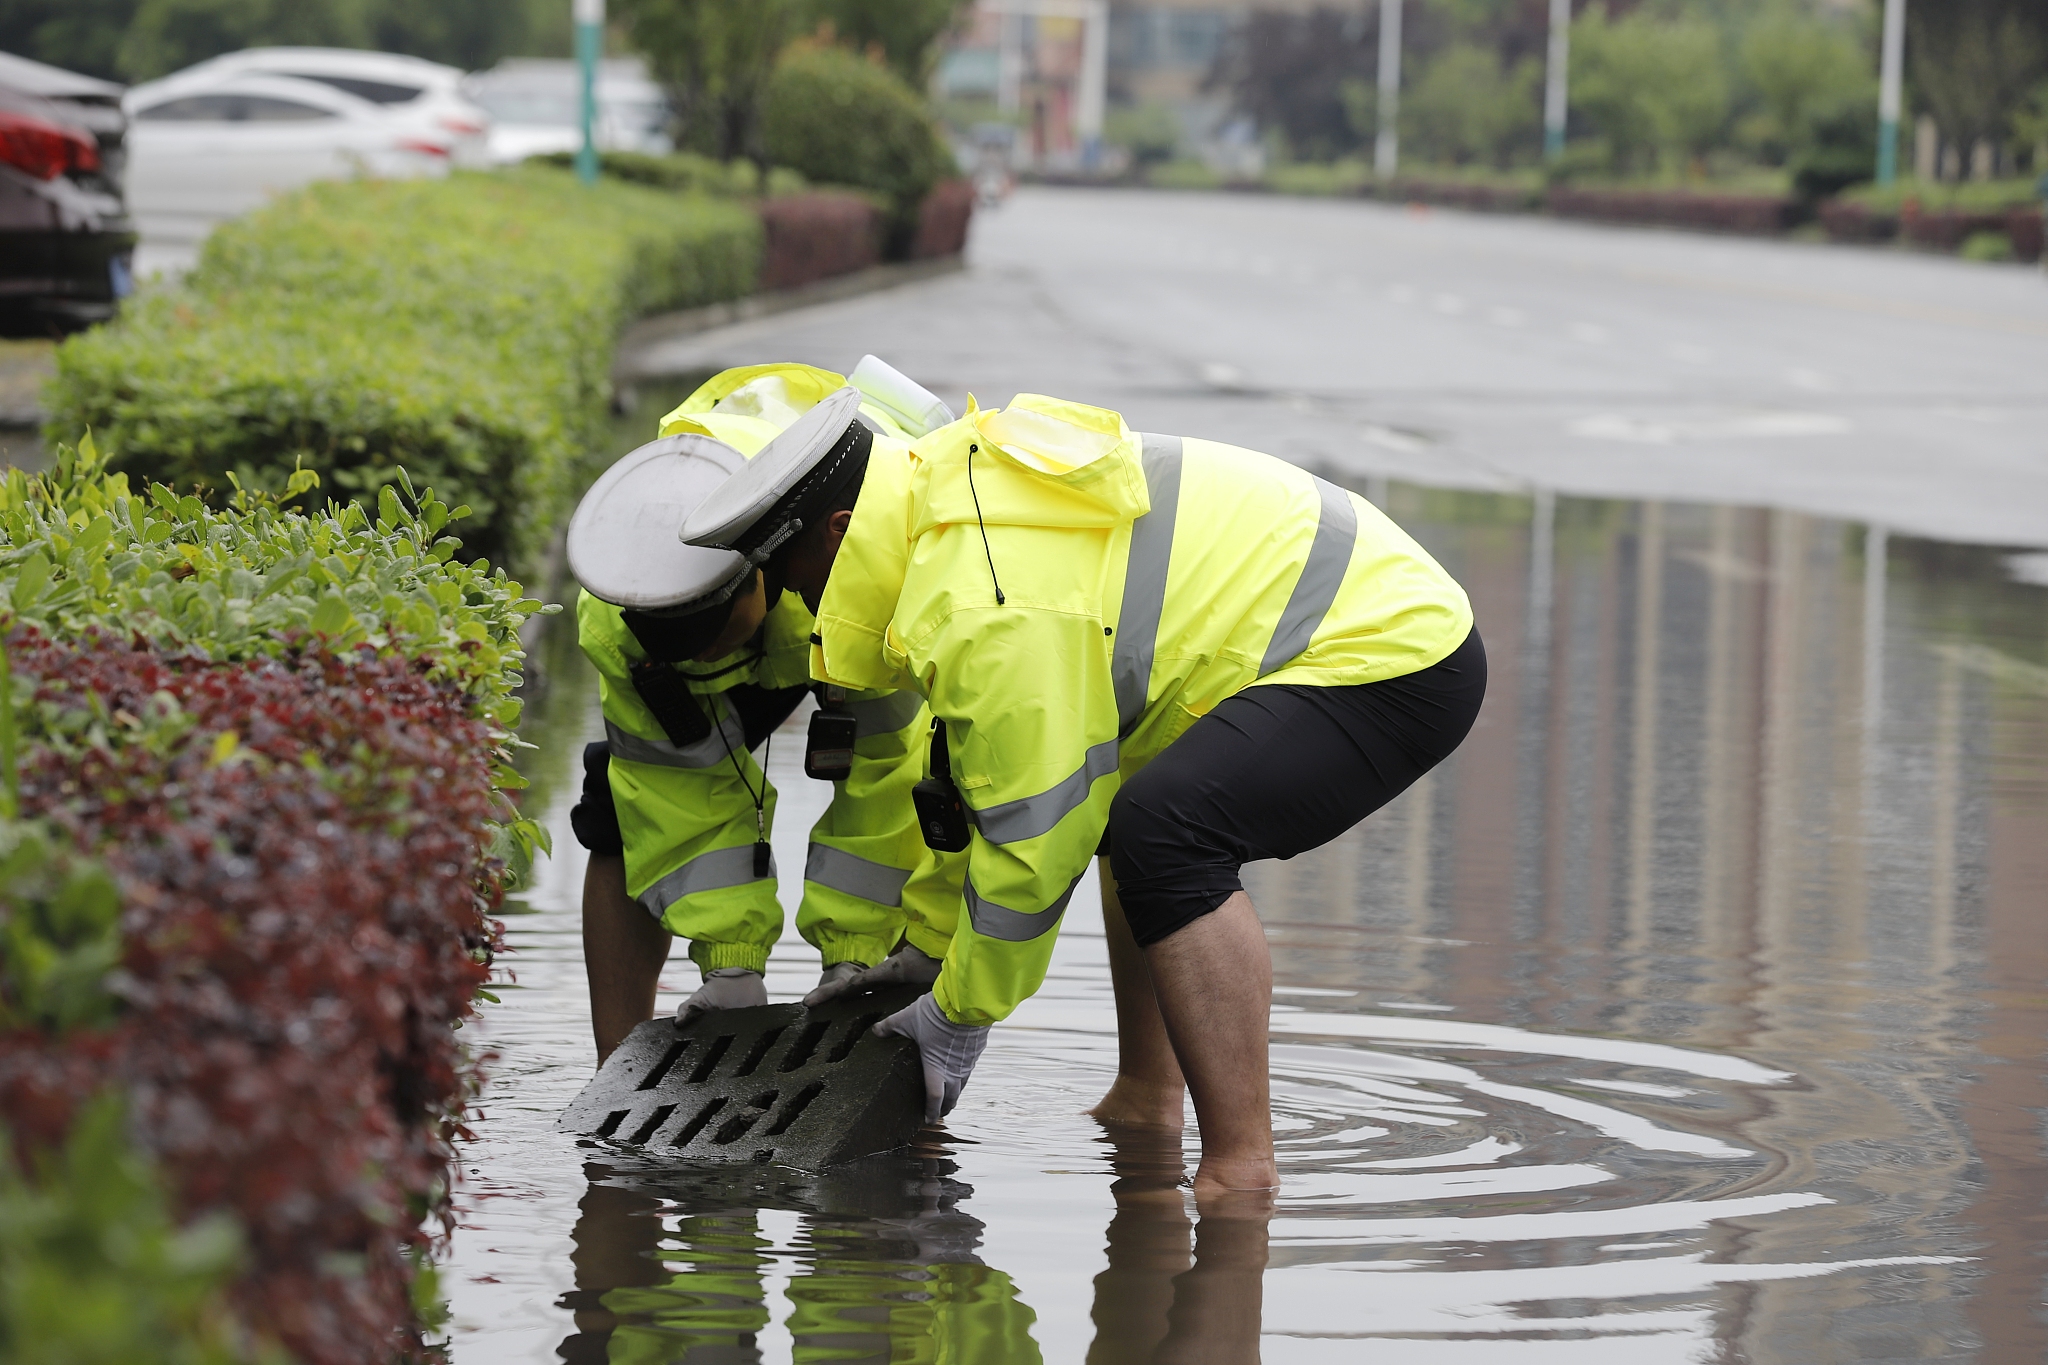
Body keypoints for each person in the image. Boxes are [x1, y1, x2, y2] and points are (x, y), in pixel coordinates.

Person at [682, 388, 1483, 1197]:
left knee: (1168, 830)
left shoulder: (981, 599)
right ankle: (1148, 1098)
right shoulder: (936, 511)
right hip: (1309, 627)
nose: (797, 603)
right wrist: (925, 949)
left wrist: (958, 1015)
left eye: (792, 579)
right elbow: (978, 785)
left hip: (1388, 649)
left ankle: (1242, 1168)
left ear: (841, 532)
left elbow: (1035, 835)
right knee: (1132, 817)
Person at [569, 359, 961, 1062]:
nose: (704, 658)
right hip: (753, 603)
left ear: (761, 570)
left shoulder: (856, 562)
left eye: (720, 635)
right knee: (619, 802)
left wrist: (855, 956)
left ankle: (875, 1009)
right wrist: (730, 963)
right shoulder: (617, 603)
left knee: (924, 781)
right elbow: (677, 796)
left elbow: (886, 778)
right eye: (687, 648)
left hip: (842, 589)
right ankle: (615, 1063)